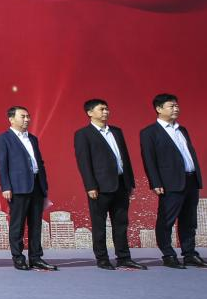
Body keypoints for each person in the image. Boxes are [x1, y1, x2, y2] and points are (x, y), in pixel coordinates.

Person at [73, 99, 144, 270]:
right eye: (102, 109)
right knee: (99, 225)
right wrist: (90, 186)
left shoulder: (116, 131)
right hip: (99, 187)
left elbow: (125, 158)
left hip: (121, 184)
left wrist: (130, 182)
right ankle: (102, 258)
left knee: (121, 224)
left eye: (107, 109)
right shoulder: (83, 134)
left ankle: (124, 257)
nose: (106, 112)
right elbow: (84, 162)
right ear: (90, 112)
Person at [139, 93, 203, 269]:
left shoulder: (182, 130)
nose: (176, 109)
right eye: (171, 106)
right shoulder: (149, 132)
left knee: (189, 221)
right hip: (169, 183)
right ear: (159, 109)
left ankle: (189, 254)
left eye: (177, 106)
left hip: (190, 179)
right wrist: (155, 182)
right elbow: (149, 159)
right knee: (166, 221)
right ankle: (168, 255)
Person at [0, 106, 56, 271]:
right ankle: (18, 257)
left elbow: (40, 163)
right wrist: (6, 186)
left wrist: (44, 185)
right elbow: (2, 165)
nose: (27, 119)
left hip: (36, 185)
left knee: (36, 224)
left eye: (28, 116)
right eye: (23, 116)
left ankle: (36, 258)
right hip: (18, 187)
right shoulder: (4, 139)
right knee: (18, 224)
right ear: (11, 119)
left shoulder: (33, 138)